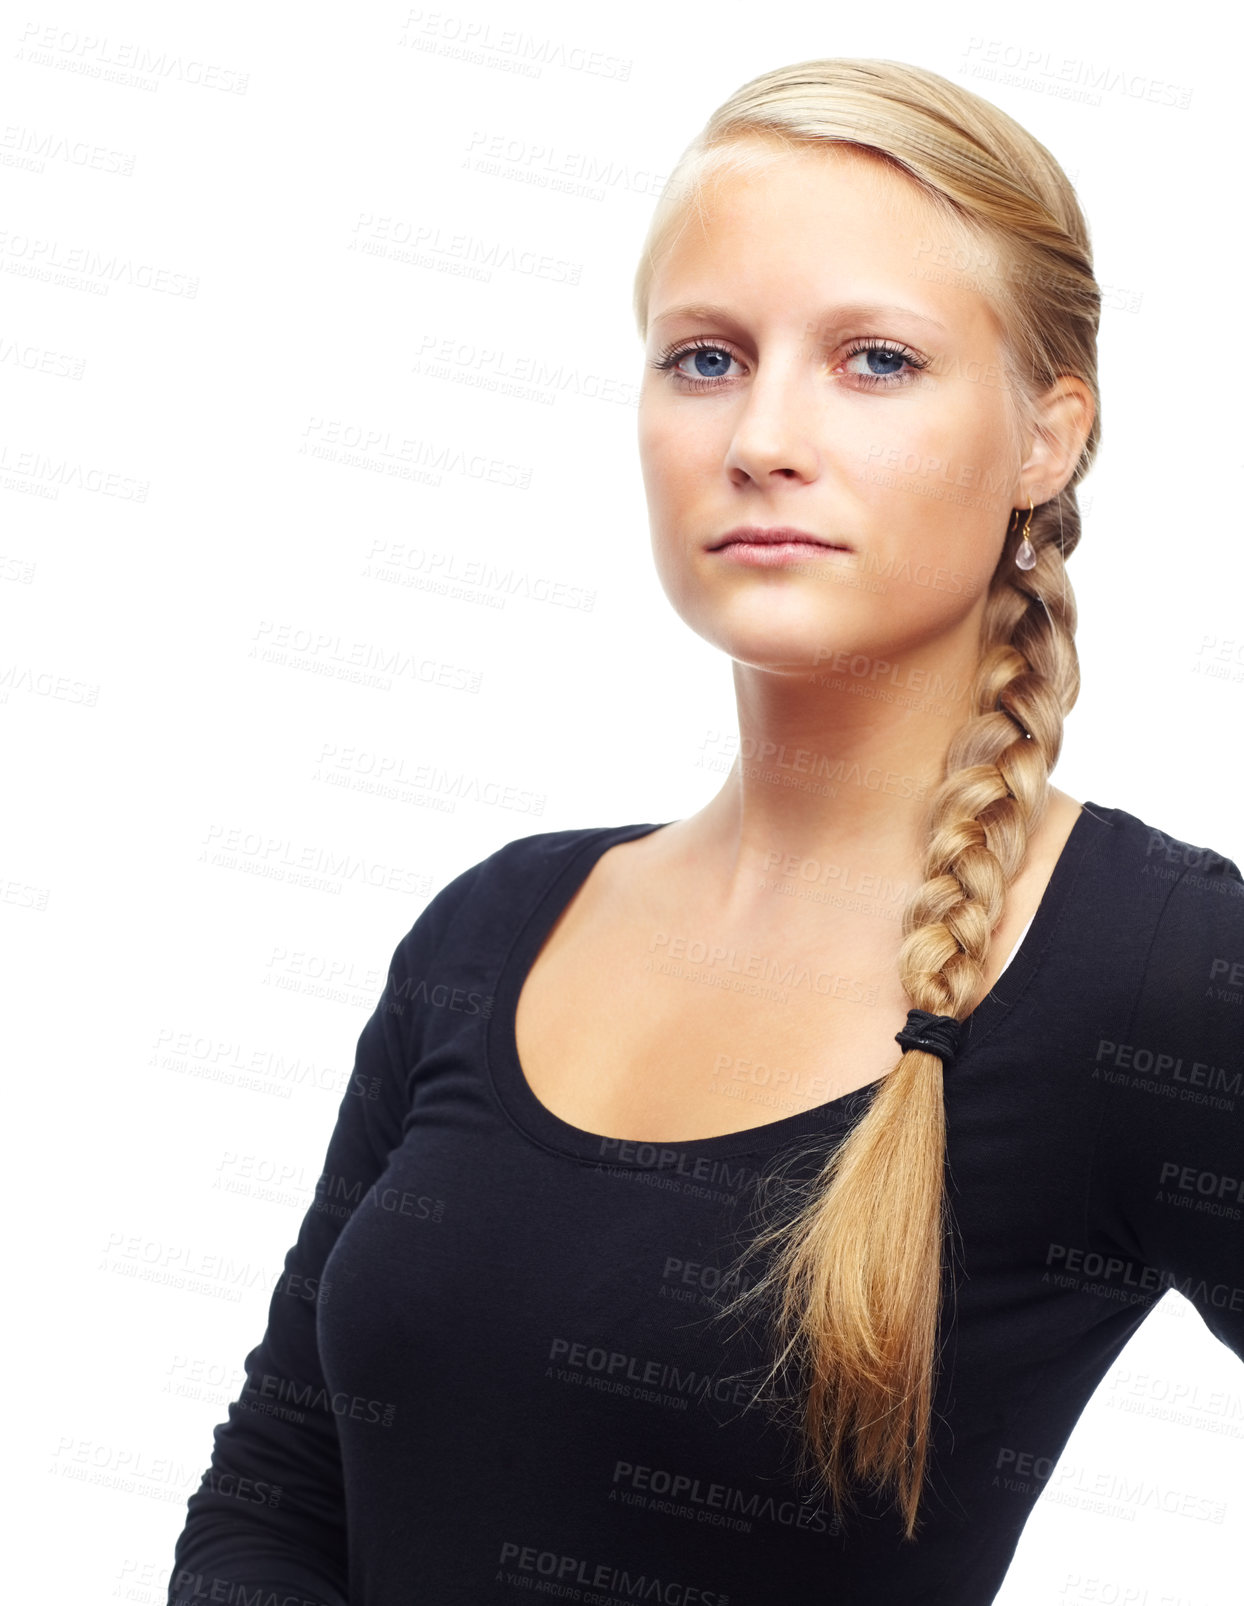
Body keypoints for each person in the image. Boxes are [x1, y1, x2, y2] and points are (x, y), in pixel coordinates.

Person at [166, 57, 1244, 1606]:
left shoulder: (1152, 969)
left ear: (1045, 437)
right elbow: (279, 1486)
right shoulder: (492, 929)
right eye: (705, 358)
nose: (764, 436)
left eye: (874, 359)